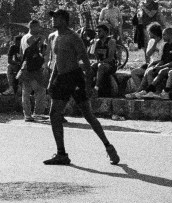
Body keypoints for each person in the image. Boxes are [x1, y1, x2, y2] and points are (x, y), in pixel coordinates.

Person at [41, 9, 119, 166]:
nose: (53, 20)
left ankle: (108, 146)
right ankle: (61, 154)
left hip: (74, 77)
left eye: (56, 17)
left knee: (88, 115)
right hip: (61, 78)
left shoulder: (73, 37)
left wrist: (89, 85)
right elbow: (56, 61)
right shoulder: (53, 36)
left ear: (64, 20)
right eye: (53, 17)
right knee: (54, 114)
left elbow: (86, 62)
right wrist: (51, 81)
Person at [18, 35, 49, 121]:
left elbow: (23, 60)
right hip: (32, 74)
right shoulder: (34, 50)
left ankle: (28, 115)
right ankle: (37, 113)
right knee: (40, 92)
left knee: (26, 94)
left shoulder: (28, 49)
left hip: (26, 73)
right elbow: (36, 63)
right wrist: (42, 58)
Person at [89, 24, 118, 97]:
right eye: (96, 32)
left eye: (99, 31)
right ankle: (87, 88)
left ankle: (96, 89)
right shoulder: (97, 42)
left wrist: (100, 62)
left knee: (101, 66)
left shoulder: (111, 41)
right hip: (100, 63)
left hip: (110, 65)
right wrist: (93, 45)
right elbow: (93, 55)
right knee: (90, 68)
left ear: (106, 32)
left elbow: (110, 58)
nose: (97, 33)